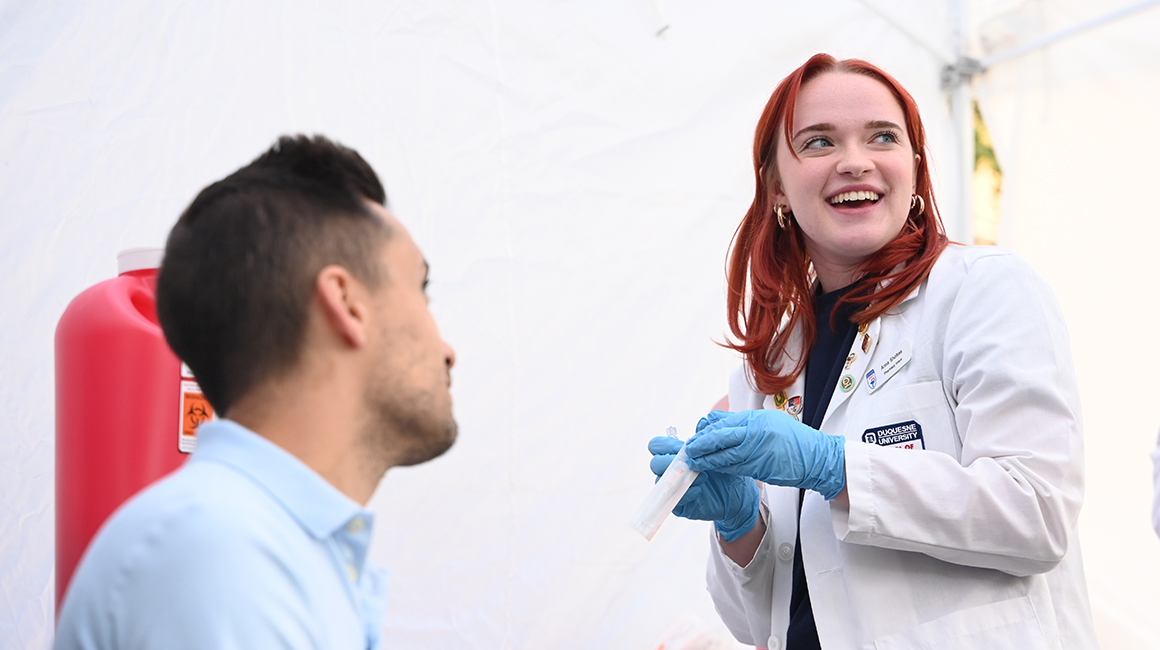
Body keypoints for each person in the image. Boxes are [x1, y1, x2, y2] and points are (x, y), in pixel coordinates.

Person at [648, 54, 1097, 649]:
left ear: (914, 168)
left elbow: (1035, 515)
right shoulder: (769, 371)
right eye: (819, 142)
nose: (854, 161)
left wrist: (834, 468)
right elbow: (759, 624)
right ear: (777, 186)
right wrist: (738, 528)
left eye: (882, 136)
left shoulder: (982, 290)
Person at [54, 135, 458, 649]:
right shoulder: (218, 554)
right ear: (346, 302)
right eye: (421, 289)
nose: (448, 350)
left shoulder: (276, 548)